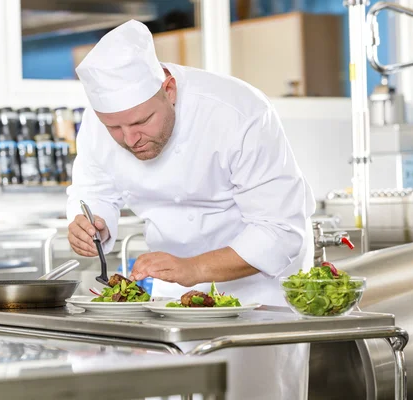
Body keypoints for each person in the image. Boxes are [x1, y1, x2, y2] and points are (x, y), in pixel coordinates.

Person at [66, 19, 316, 400]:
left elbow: (280, 232)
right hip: (172, 288)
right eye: (115, 128)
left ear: (169, 88)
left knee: (252, 392)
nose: (130, 139)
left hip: (257, 290)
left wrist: (195, 268)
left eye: (142, 121)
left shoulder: (239, 112)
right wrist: (91, 223)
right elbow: (94, 189)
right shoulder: (100, 122)